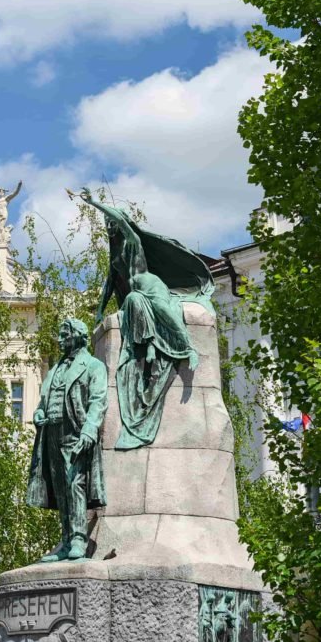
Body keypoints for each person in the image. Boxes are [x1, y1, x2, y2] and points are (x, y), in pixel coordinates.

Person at [77, 187, 214, 449]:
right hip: (137, 296)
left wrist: (94, 203)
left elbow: (122, 222)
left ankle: (188, 349)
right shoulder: (116, 254)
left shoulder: (133, 243)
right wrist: (98, 310)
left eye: (112, 223)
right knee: (132, 302)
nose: (110, 227)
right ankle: (150, 345)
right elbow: (110, 283)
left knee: (165, 313)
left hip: (153, 289)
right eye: (107, 224)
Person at [26, 318, 108, 561]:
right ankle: (65, 542)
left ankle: (79, 540)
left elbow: (98, 401)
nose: (60, 339)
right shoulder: (55, 369)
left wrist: (89, 430)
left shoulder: (93, 366)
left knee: (75, 485)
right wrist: (39, 413)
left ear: (78, 336)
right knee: (60, 489)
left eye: (65, 335)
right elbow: (44, 402)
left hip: (75, 432)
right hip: (51, 434)